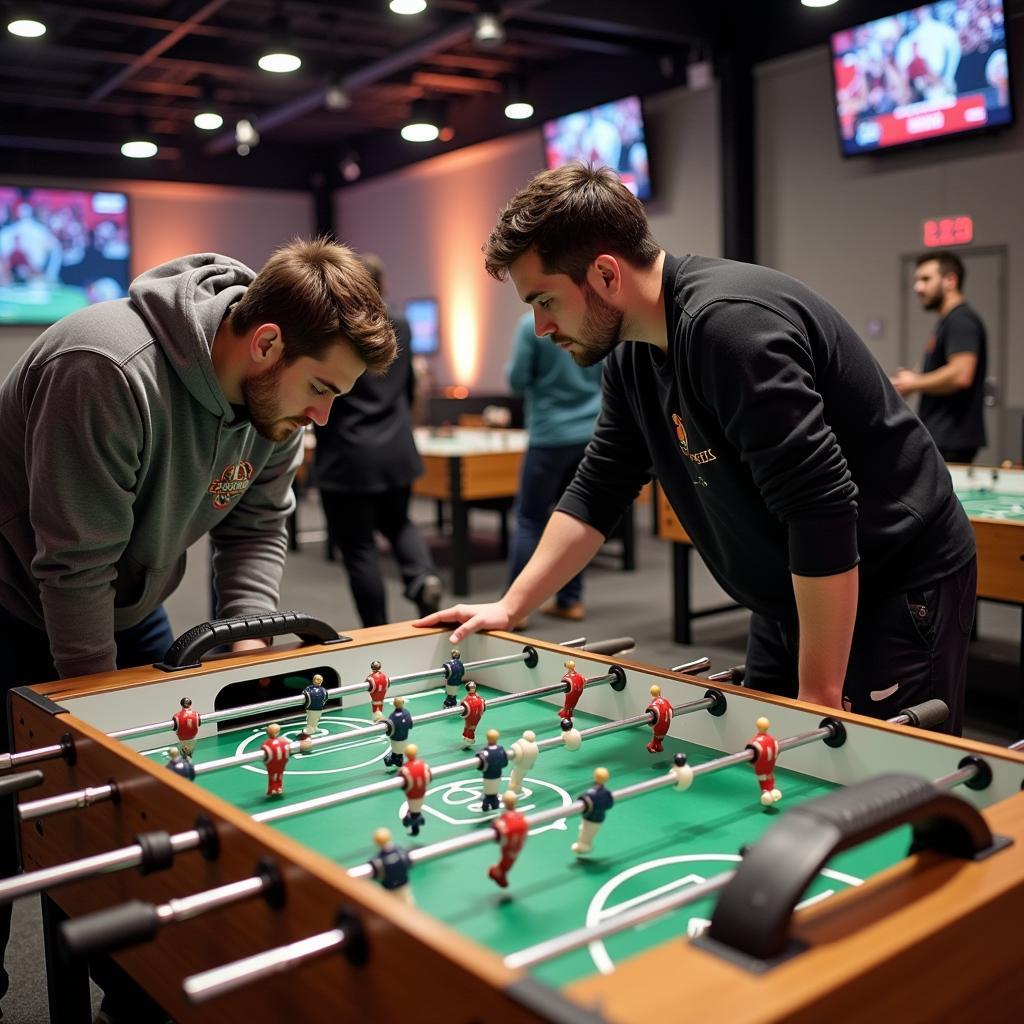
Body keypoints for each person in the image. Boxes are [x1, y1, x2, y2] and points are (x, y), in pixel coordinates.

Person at [417, 163, 977, 741]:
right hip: (795, 587)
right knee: (772, 765)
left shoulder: (730, 329)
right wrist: (511, 606)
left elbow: (821, 509)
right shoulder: (632, 353)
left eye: (546, 301)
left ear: (606, 274)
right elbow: (599, 487)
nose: (540, 327)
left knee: (881, 790)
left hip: (894, 582)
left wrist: (817, 696)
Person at [0, 236, 395, 1023]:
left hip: (133, 603)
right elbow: (72, 568)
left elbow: (255, 526)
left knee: (153, 803)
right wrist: (90, 719)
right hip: (13, 604)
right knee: (22, 828)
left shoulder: (271, 409)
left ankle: (140, 990)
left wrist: (248, 647)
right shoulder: (107, 367)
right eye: (320, 388)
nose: (322, 415)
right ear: (267, 341)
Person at [313, 253, 442, 627]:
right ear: (383, 286)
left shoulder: (335, 326)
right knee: (399, 523)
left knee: (359, 548)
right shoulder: (400, 322)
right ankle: (423, 578)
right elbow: (409, 387)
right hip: (397, 448)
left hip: (348, 454)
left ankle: (378, 629)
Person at [506, 310, 602, 624]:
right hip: (589, 433)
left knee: (530, 519)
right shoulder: (588, 320)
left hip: (549, 436)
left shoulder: (529, 327)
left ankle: (516, 610)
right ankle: (570, 601)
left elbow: (516, 380)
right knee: (576, 516)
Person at [890, 250, 987, 464]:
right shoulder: (948, 321)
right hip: (944, 436)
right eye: (917, 280)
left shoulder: (960, 320)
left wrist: (915, 382)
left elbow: (961, 374)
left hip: (952, 439)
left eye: (926, 279)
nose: (918, 287)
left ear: (950, 280)